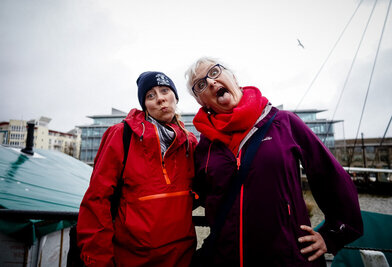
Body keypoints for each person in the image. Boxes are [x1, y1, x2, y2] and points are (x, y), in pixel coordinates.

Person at [185, 57, 363, 266]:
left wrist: (332, 234)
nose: (212, 82)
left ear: (233, 77)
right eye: (201, 85)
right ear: (201, 101)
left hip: (286, 258)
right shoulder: (206, 146)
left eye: (214, 73)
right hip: (227, 258)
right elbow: (188, 195)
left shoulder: (283, 122)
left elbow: (330, 175)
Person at [77, 71, 198, 266]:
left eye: (165, 90)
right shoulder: (121, 135)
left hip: (182, 258)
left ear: (175, 96)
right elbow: (97, 201)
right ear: (145, 106)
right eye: (150, 95)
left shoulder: (189, 142)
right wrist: (99, 260)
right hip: (132, 258)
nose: (160, 99)